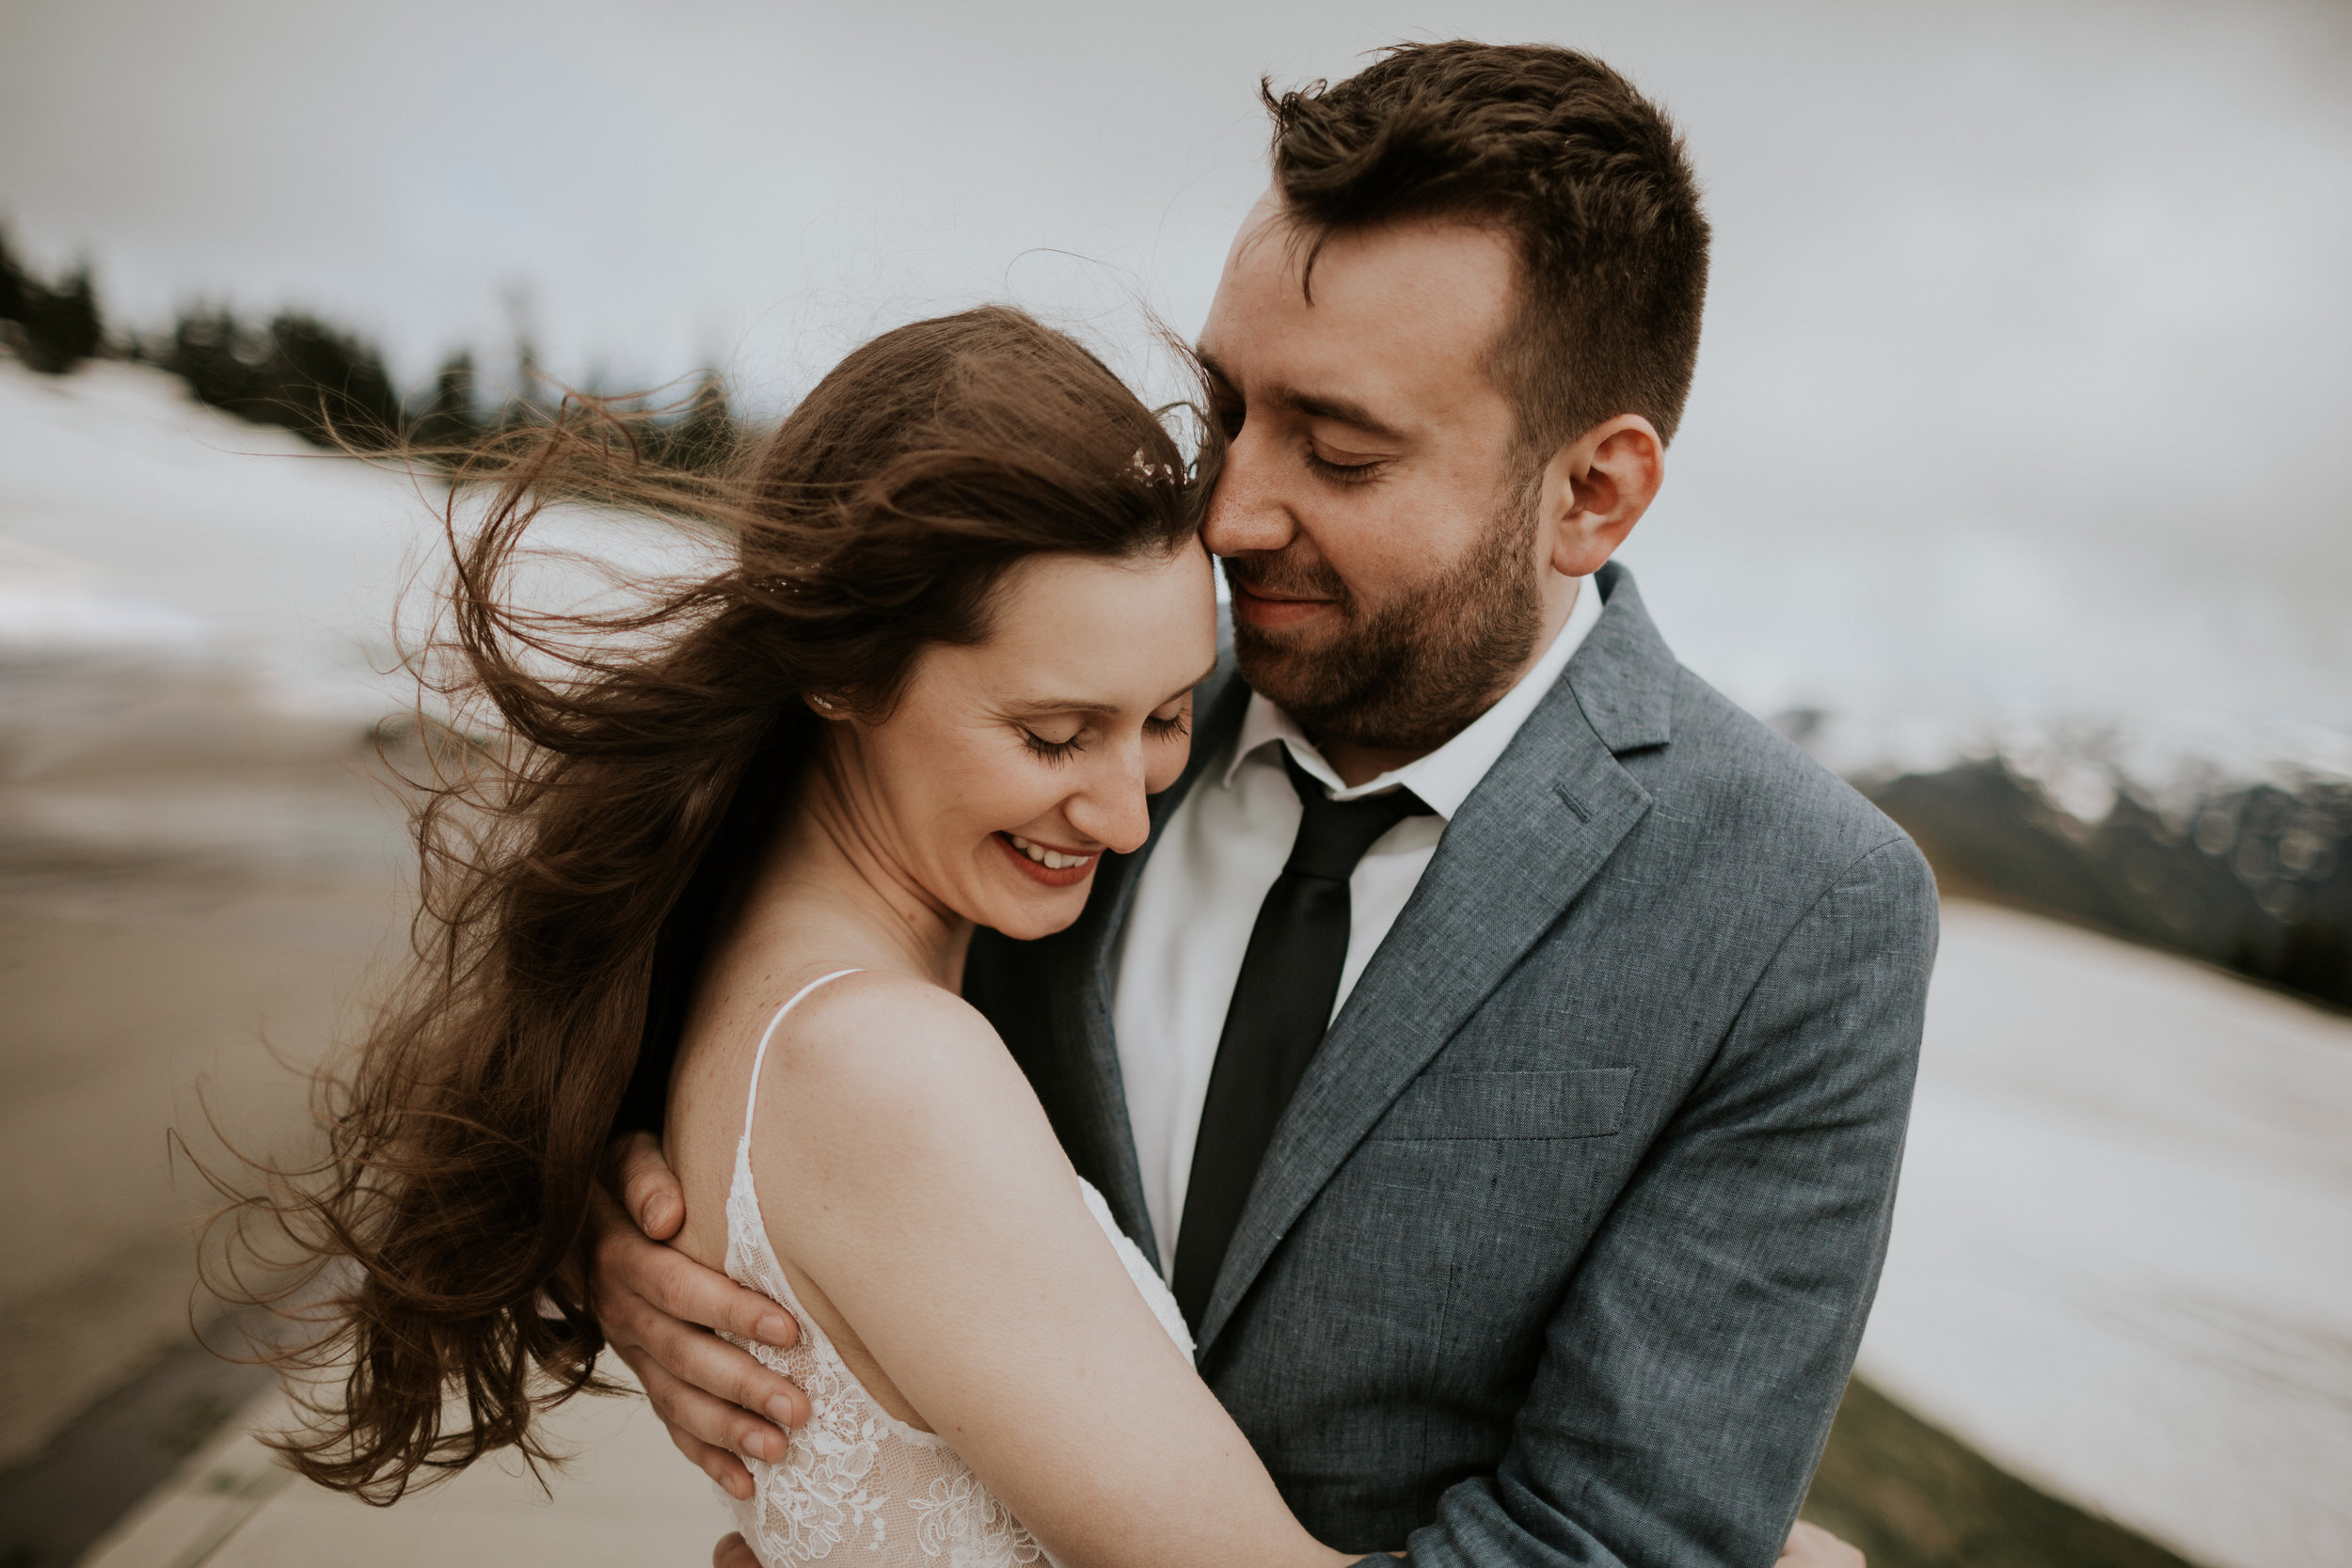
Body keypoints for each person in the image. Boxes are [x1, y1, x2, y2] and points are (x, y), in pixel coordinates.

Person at [596, 41, 1932, 1568]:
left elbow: (1616, 1540)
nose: (1228, 508)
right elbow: (762, 976)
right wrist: (641, 1241)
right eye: (1226, 408)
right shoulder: (1087, 701)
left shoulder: (1798, 906)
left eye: (1339, 449)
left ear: (1593, 493)